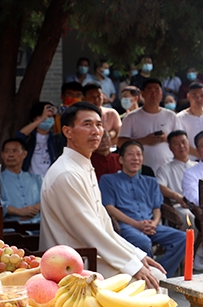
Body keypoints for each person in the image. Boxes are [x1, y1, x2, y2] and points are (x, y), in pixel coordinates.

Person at [40, 102, 167, 288]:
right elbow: (90, 231)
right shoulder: (67, 173)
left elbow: (104, 225)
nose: (95, 131)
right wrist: (132, 265)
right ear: (67, 131)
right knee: (152, 280)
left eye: (99, 125)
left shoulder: (81, 166)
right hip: (75, 264)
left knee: (155, 272)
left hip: (91, 254)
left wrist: (137, 256)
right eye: (87, 124)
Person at [99, 141, 187, 277]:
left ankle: (161, 275)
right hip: (126, 225)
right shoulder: (108, 180)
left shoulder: (151, 181)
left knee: (183, 238)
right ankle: (147, 277)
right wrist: (136, 224)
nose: (135, 158)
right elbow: (109, 207)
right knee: (143, 242)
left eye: (139, 154)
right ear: (121, 159)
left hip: (150, 225)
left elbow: (157, 208)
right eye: (131, 154)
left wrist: (154, 223)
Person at [117, 79, 181, 170]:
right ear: (142, 94)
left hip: (168, 168)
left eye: (156, 90)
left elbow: (181, 140)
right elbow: (120, 142)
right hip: (141, 169)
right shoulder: (131, 117)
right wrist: (144, 140)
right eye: (150, 90)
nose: (153, 94)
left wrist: (167, 138)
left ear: (161, 94)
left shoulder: (171, 116)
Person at [155, 130, 197, 230]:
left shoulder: (197, 166)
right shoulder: (165, 168)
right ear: (170, 147)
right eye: (176, 144)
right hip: (178, 206)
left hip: (199, 205)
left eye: (183, 142)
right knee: (190, 217)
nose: (181, 146)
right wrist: (177, 196)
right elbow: (159, 186)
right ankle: (192, 246)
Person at [14, 102, 64, 177]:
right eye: (46, 116)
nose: (48, 119)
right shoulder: (30, 137)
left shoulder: (56, 139)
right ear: (35, 118)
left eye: (50, 117)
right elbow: (19, 136)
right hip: (30, 180)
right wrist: (42, 119)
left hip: (50, 180)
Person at [0, 139, 42, 224]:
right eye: (7, 151)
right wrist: (19, 211)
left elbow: (48, 198)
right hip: (11, 230)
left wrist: (36, 208)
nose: (10, 155)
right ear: (2, 155)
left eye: (15, 151)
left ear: (24, 154)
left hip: (37, 228)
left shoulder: (36, 179)